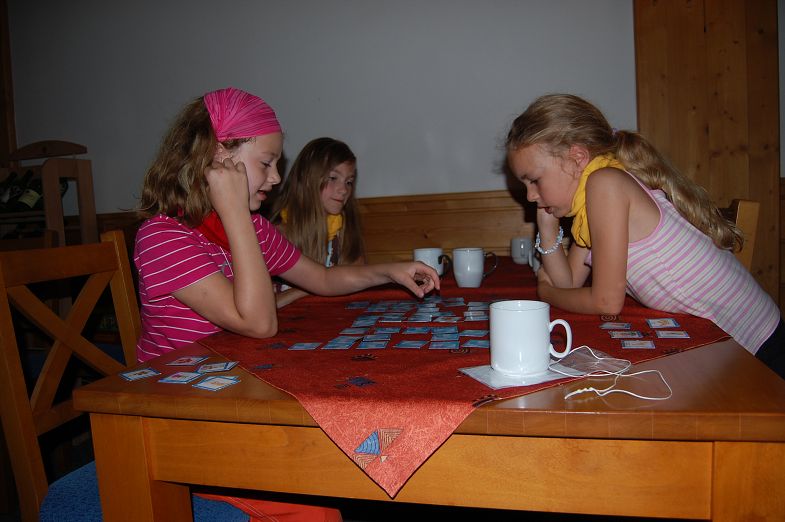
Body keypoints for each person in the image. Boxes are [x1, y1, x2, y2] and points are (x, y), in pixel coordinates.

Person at [133, 87, 439, 521]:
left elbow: (322, 278)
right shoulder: (163, 237)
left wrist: (388, 271)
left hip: (239, 400)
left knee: (355, 456)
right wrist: (235, 212)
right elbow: (259, 323)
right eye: (266, 163)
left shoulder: (253, 228)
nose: (277, 178)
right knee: (317, 497)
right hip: (180, 424)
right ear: (218, 159)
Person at [504, 93, 784, 379]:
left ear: (577, 158)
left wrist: (546, 292)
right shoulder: (593, 200)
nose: (530, 195)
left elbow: (606, 302)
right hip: (730, 341)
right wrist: (548, 231)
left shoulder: (606, 185)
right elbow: (570, 283)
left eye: (534, 180)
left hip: (759, 344)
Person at [270, 137, 365, 307]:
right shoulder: (275, 235)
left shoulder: (344, 232)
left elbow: (360, 280)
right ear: (307, 179)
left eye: (349, 182)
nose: (344, 190)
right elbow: (263, 306)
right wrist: (320, 285)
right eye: (333, 178)